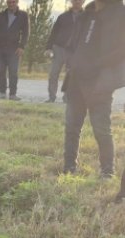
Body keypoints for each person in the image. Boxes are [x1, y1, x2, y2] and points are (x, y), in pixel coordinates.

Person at [62, 0, 125, 179]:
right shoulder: (86, 13)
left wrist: (99, 65)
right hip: (76, 79)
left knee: (101, 128)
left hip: (99, 81)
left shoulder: (120, 13)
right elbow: (71, 44)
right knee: (72, 126)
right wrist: (71, 62)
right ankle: (68, 168)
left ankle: (107, 171)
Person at [44, 0, 85, 103]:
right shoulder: (63, 16)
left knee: (70, 75)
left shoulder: (86, 17)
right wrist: (48, 48)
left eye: (80, 0)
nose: (77, 2)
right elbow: (53, 32)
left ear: (83, 2)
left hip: (74, 51)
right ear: (71, 1)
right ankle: (51, 97)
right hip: (58, 48)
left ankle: (67, 98)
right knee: (53, 74)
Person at [0, 0, 29, 101]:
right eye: (9, 2)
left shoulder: (23, 15)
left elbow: (26, 33)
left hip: (14, 49)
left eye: (13, 2)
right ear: (7, 3)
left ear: (17, 2)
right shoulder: (1, 15)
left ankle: (12, 94)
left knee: (13, 72)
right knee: (0, 71)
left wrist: (21, 46)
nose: (11, 4)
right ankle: (2, 92)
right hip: (0, 48)